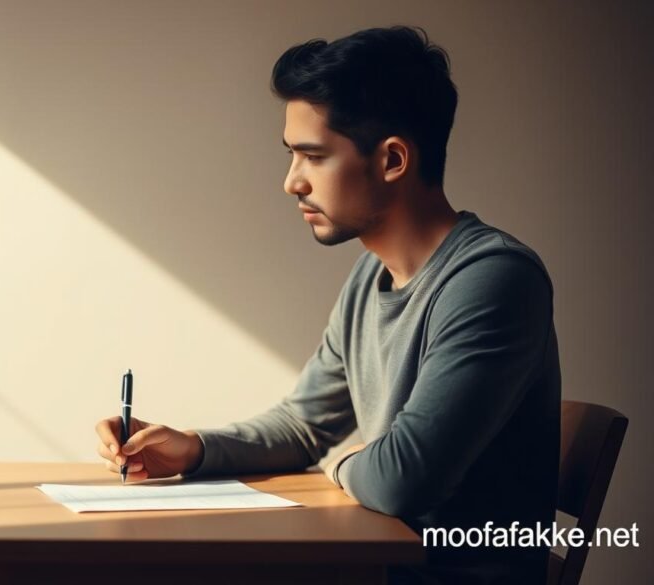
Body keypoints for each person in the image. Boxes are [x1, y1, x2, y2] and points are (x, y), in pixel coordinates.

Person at [94, 26, 560, 584]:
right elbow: (303, 424)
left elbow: (399, 481)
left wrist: (341, 462)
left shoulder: (493, 279)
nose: (292, 183)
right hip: (377, 566)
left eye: (312, 157)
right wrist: (192, 449)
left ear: (391, 160)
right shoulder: (371, 275)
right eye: (292, 156)